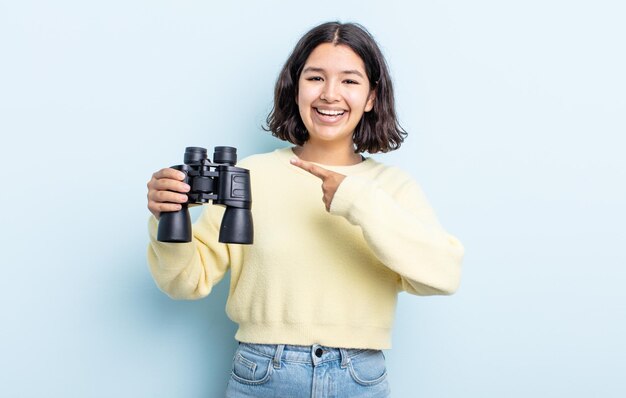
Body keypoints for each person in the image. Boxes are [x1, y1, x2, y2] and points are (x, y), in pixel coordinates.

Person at [146, 21, 464, 398]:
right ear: (295, 87)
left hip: (359, 376)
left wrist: (357, 200)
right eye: (315, 78)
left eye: (349, 81)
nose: (330, 94)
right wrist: (168, 217)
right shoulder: (251, 175)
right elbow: (185, 282)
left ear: (372, 97)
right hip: (262, 372)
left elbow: (443, 275)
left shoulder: (391, 189)